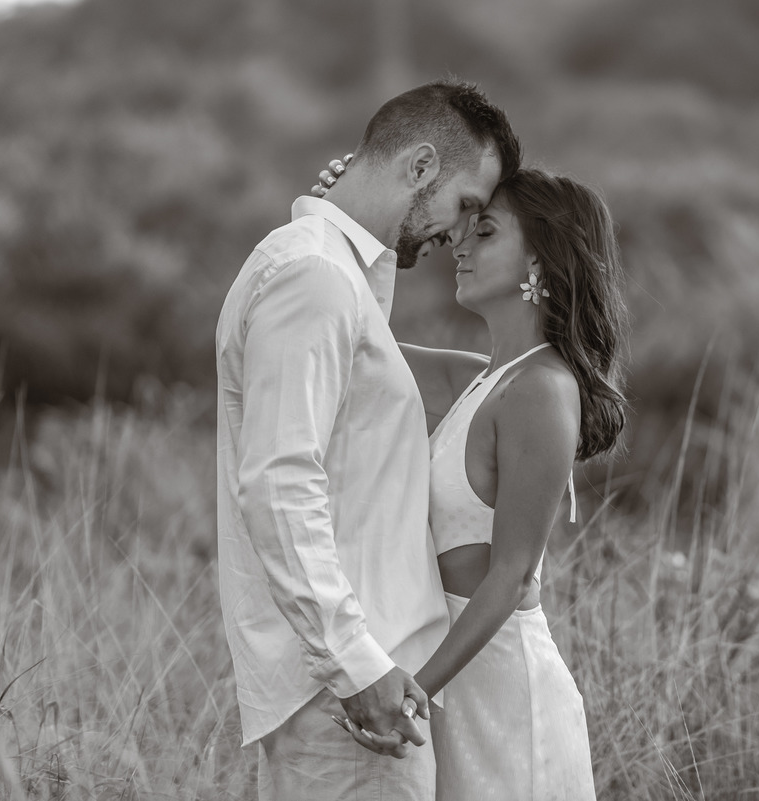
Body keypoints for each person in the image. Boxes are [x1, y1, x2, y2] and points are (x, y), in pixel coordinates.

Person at [215, 79, 521, 801]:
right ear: (419, 168)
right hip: (350, 696)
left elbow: (367, 374)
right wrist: (358, 667)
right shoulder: (314, 277)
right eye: (466, 206)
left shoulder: (329, 272)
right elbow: (280, 485)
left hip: (354, 683)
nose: (458, 234)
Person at [317, 160, 628, 800]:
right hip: (456, 681)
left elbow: (511, 575)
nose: (460, 244)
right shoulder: (481, 380)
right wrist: (342, 217)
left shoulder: (542, 390)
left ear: (541, 260)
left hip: (505, 694)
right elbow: (346, 335)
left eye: (484, 233)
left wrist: (412, 691)